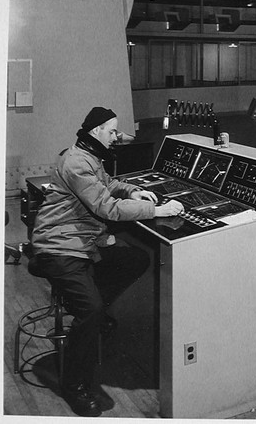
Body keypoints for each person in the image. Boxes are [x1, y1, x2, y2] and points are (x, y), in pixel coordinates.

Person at [31, 106, 183, 417]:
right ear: (97, 130)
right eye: (112, 130)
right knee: (92, 310)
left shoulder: (87, 156)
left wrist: (134, 190)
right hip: (58, 247)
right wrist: (157, 211)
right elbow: (107, 208)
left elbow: (108, 184)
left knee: (135, 258)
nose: (116, 136)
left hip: (81, 244)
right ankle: (74, 385)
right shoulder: (76, 162)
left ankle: (91, 311)